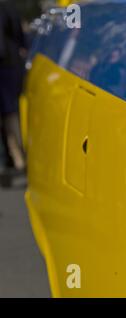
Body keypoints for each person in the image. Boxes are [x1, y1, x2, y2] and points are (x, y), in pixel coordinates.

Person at [0, 1, 26, 187]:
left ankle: (10, 159)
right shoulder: (7, 7)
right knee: (11, 114)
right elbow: (19, 36)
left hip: (7, 65)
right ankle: (19, 160)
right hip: (8, 65)